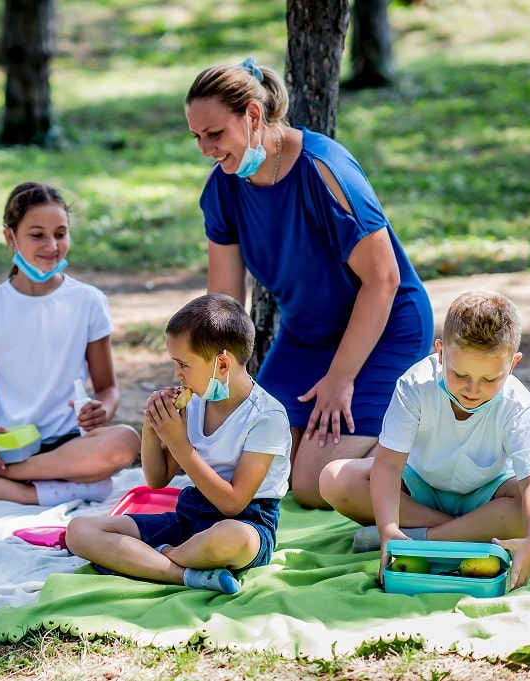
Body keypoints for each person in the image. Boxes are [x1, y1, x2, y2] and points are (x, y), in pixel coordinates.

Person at [184, 57, 434, 509]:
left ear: (254, 116)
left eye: (215, 134)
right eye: (197, 137)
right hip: (305, 338)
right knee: (258, 461)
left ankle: (438, 464)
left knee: (312, 480)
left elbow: (384, 279)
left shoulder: (325, 170)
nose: (205, 149)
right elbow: (223, 302)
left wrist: (340, 379)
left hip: (384, 327)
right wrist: (204, 377)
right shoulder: (222, 187)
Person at [318, 290, 530, 589]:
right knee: (333, 478)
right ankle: (464, 532)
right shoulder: (415, 386)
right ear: (440, 352)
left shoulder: (518, 405)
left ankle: (419, 539)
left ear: (512, 364)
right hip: (419, 487)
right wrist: (387, 528)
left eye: (490, 379)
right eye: (460, 374)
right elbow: (387, 466)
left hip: (486, 495)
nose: (473, 389)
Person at [65, 294, 292, 594]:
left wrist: (180, 444)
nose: (177, 375)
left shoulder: (267, 417)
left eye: (184, 364)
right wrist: (153, 427)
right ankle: (186, 575)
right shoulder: (195, 402)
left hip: (246, 521)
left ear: (222, 364)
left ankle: (153, 560)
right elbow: (157, 479)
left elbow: (233, 502)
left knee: (231, 538)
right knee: (79, 531)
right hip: (191, 515)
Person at [0, 181, 140, 505]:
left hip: (68, 446)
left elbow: (108, 389)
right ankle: (41, 490)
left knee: (125, 440)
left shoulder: (88, 301)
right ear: (11, 237)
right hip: (8, 444)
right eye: (37, 235)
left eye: (60, 233)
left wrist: (101, 411)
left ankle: (11, 477)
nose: (51, 245)